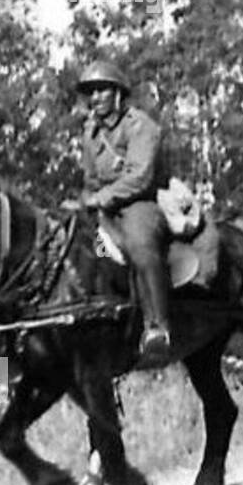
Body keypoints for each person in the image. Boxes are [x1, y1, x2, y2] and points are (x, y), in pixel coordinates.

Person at [74, 60, 173, 360]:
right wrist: (83, 201)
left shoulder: (141, 126)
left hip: (140, 204)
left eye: (101, 90)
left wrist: (99, 198)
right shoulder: (90, 134)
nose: (95, 98)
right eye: (90, 92)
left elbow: (139, 178)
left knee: (140, 245)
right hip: (105, 207)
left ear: (118, 93)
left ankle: (157, 327)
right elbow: (89, 180)